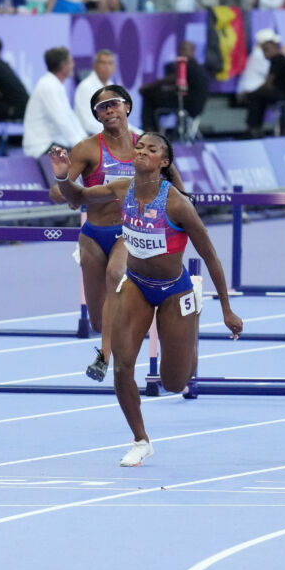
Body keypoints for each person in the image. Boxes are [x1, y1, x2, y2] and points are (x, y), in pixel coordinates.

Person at [50, 132, 242, 466]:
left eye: (151, 150)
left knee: (173, 381)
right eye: (139, 147)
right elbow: (78, 196)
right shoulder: (122, 190)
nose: (141, 151)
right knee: (123, 367)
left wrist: (226, 308)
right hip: (136, 283)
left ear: (163, 162)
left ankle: (191, 324)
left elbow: (210, 256)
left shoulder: (178, 204)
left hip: (173, 289)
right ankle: (140, 440)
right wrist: (62, 175)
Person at [51, 86, 185, 382]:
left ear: (127, 107)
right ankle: (112, 337)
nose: (109, 110)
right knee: (99, 319)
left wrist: (182, 203)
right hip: (93, 234)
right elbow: (59, 190)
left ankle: (105, 357)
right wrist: (65, 184)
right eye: (101, 107)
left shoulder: (146, 146)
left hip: (129, 231)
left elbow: (173, 177)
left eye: (113, 104)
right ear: (97, 116)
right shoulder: (87, 148)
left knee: (116, 273)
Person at [21, 46, 86, 158]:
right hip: (41, 147)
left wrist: (85, 140)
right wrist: (81, 146)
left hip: (54, 143)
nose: (73, 65)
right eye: (71, 62)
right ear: (63, 66)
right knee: (87, 160)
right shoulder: (48, 86)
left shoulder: (55, 85)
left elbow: (70, 117)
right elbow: (61, 120)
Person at [243, 31, 285, 138]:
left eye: (266, 51)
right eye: (264, 51)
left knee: (256, 95)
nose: (265, 54)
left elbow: (267, 84)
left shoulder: (277, 60)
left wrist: (250, 93)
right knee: (259, 95)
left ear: (274, 49)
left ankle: (253, 128)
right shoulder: (282, 61)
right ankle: (256, 128)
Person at [139, 40, 209, 133]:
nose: (181, 52)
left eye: (184, 49)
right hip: (194, 106)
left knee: (149, 95)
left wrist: (148, 87)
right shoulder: (198, 67)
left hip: (188, 106)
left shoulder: (187, 66)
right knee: (156, 96)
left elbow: (171, 79)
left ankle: (150, 131)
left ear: (193, 51)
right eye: (180, 49)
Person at [73, 49, 117, 135]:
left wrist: (139, 133)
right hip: (90, 138)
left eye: (110, 63)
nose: (107, 67)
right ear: (95, 65)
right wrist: (115, 132)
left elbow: (118, 118)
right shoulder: (85, 87)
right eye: (103, 63)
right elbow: (87, 123)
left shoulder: (113, 87)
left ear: (115, 67)